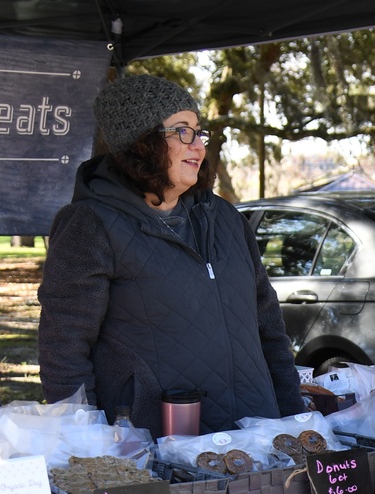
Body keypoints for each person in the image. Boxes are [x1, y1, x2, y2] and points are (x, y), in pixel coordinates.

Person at [38, 74, 305, 438]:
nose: (197, 146)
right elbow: (64, 350)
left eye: (199, 132)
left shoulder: (227, 219)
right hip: (155, 444)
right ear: (140, 143)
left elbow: (270, 330)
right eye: (182, 131)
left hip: (256, 437)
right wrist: (88, 443)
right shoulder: (89, 224)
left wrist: (294, 421)